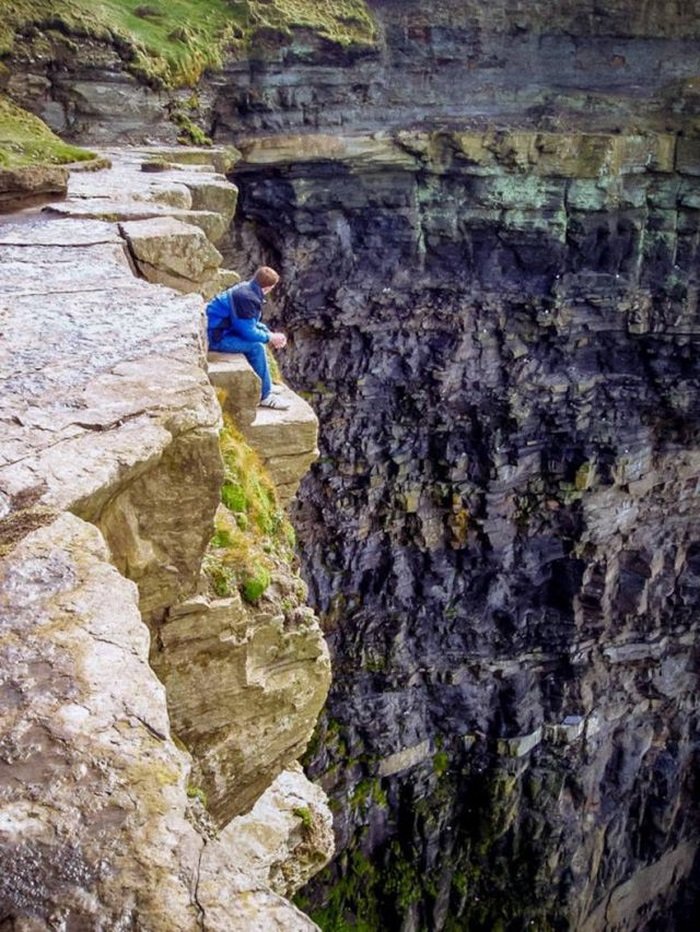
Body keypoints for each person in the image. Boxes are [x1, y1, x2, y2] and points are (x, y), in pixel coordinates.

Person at [206, 266, 290, 410]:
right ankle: (265, 396)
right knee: (256, 347)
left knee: (259, 340)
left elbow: (249, 322)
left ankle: (266, 384)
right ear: (267, 288)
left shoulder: (246, 288)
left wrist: (268, 333)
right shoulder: (246, 298)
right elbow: (247, 332)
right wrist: (270, 338)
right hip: (215, 338)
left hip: (222, 330)